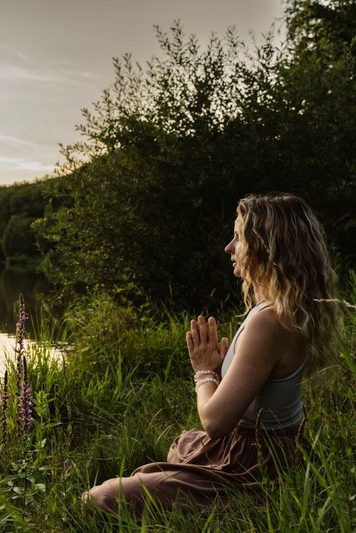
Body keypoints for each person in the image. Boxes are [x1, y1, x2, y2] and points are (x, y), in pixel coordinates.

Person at [82, 192, 338, 516]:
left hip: (253, 466)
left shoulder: (270, 322)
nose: (229, 248)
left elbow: (214, 421)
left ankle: (245, 502)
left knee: (98, 498)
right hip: (256, 447)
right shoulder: (277, 310)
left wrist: (204, 372)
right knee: (183, 444)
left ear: (267, 247)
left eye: (239, 238)